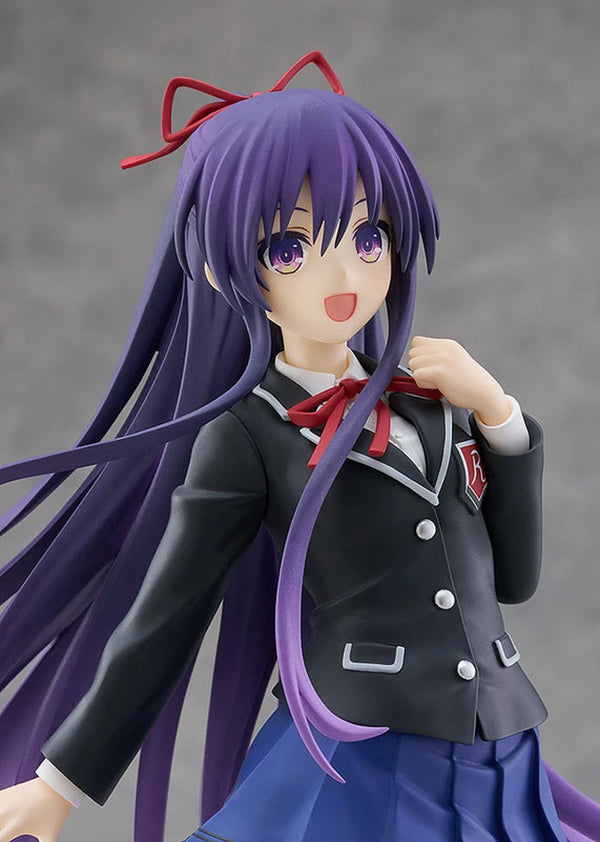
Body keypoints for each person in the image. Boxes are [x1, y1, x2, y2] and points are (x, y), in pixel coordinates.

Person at [0, 52, 597, 842]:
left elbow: (512, 580)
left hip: (500, 744)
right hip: (363, 752)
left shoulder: (433, 401)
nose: (343, 272)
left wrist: (500, 415)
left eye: (369, 235)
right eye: (290, 249)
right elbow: (167, 616)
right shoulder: (249, 432)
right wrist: (60, 783)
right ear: (224, 270)